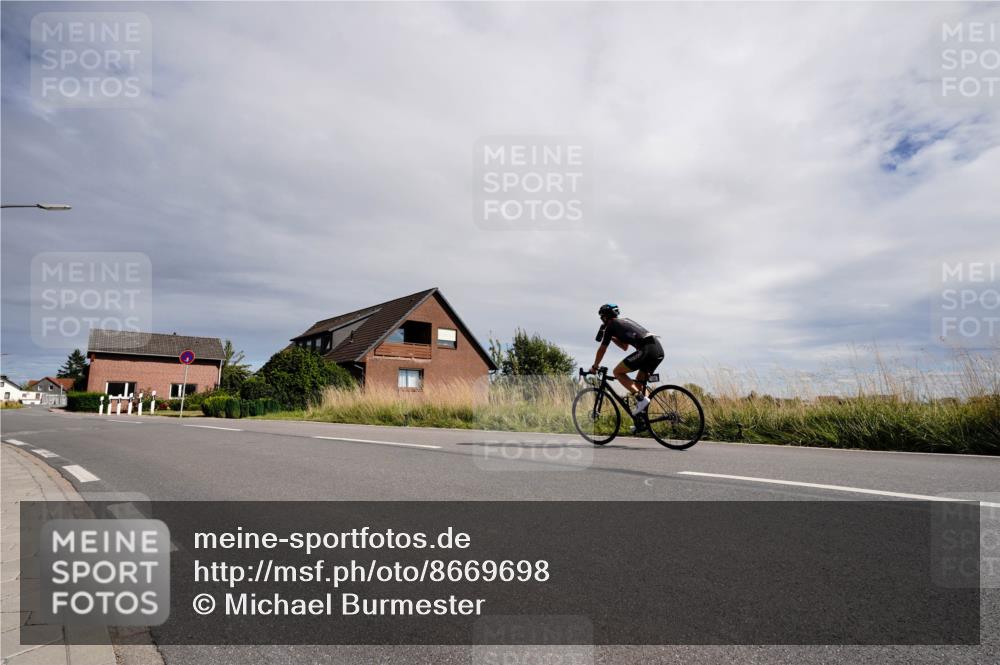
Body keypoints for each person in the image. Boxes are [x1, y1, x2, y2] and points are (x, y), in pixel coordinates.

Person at [590, 303, 664, 415]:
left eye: (602, 317)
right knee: (638, 384)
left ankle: (641, 399)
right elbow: (625, 347)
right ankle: (643, 419)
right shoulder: (624, 321)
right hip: (657, 349)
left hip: (646, 350)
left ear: (605, 316)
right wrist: (612, 337)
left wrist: (595, 366)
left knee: (617, 372)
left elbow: (602, 349)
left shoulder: (611, 324)